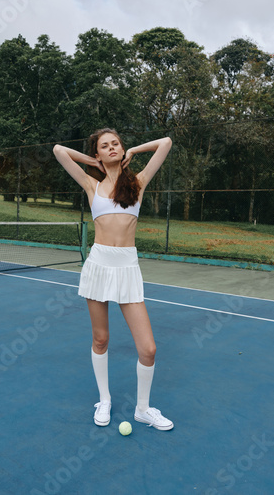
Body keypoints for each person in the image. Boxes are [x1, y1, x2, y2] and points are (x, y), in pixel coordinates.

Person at [53, 128, 173, 431]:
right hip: (99, 265)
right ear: (98, 154)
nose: (111, 148)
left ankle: (143, 409)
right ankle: (104, 399)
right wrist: (95, 163)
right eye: (104, 146)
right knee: (101, 339)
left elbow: (165, 143)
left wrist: (134, 151)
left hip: (128, 268)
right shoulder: (90, 184)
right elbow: (58, 150)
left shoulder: (138, 182)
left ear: (123, 148)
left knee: (149, 349)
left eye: (115, 144)